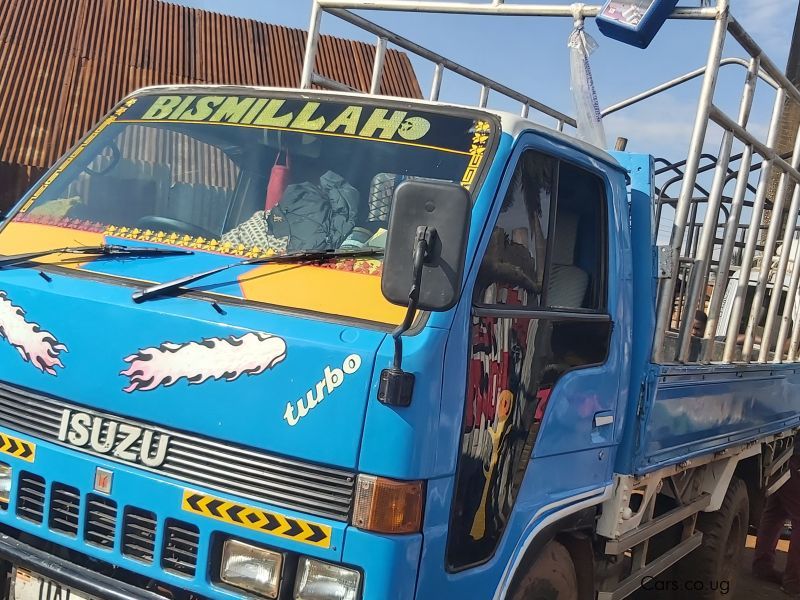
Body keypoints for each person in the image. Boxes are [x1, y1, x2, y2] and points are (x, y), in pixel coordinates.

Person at [753, 434, 800, 596]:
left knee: (776, 511)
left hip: (783, 449)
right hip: (795, 455)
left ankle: (762, 567)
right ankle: (795, 583)